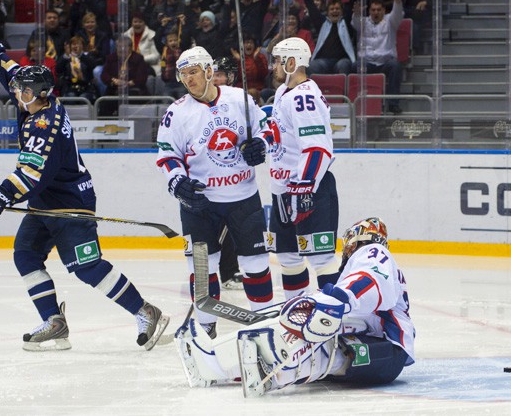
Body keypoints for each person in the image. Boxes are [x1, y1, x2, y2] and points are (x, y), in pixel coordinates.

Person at [0, 16, 169, 352]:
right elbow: (13, 75)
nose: (17, 93)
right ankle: (54, 322)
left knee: (87, 267)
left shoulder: (44, 125)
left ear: (39, 94)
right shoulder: (39, 98)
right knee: (26, 254)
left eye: (23, 91)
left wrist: (0, 194)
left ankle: (147, 311)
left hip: (70, 202)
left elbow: (31, 175)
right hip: (45, 202)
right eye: (20, 89)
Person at [175, 217, 415, 397]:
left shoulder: (374, 252)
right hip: (377, 354)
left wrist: (335, 301)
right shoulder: (362, 266)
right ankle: (225, 366)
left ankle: (262, 371)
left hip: (389, 348)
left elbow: (371, 283)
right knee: (312, 329)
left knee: (323, 339)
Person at [155, 46, 275, 339]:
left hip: (243, 199)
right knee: (202, 270)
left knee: (256, 265)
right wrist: (178, 183)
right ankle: (205, 330)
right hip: (200, 206)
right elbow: (167, 156)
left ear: (209, 71)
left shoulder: (239, 99)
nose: (188, 79)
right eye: (183, 74)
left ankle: (265, 328)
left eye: (193, 72)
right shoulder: (176, 113)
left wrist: (260, 145)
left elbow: (269, 130)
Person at [265, 37, 340, 301]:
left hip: (307, 189)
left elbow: (317, 148)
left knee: (321, 258)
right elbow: (279, 132)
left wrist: (304, 187)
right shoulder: (282, 93)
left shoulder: (303, 97)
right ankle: (295, 311)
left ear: (292, 63)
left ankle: (333, 315)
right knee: (288, 256)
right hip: (283, 190)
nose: (273, 66)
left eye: (277, 61)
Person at [210, 55, 243, 291]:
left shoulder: (240, 100)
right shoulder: (204, 100)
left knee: (230, 226)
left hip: (233, 173)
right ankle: (211, 273)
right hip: (211, 174)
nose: (216, 79)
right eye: (214, 74)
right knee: (213, 229)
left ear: (230, 77)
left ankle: (229, 272)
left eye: (220, 75)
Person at [352, 0, 404, 114]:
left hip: (385, 62)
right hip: (367, 62)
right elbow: (355, 22)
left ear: (384, 10)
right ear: (369, 11)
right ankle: (357, 103)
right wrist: (357, 13)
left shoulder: (390, 21)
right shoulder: (364, 22)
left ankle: (393, 104)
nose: (376, 12)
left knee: (395, 66)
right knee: (354, 66)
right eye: (373, 10)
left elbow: (397, 14)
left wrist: (397, 1)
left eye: (379, 10)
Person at [302, 0, 356, 75]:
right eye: (332, 9)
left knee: (344, 65)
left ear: (342, 12)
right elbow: (313, 11)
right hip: (324, 61)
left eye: (337, 9)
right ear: (327, 12)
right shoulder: (322, 23)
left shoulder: (346, 22)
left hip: (342, 60)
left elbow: (349, 8)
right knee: (312, 66)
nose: (334, 11)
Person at [56, 35, 98, 101]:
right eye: (73, 44)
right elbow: (58, 70)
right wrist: (66, 56)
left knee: (83, 98)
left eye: (78, 44)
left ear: (82, 46)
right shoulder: (66, 58)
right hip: (69, 88)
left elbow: (92, 65)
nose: (75, 46)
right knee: (71, 97)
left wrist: (81, 55)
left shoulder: (87, 57)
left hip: (86, 88)